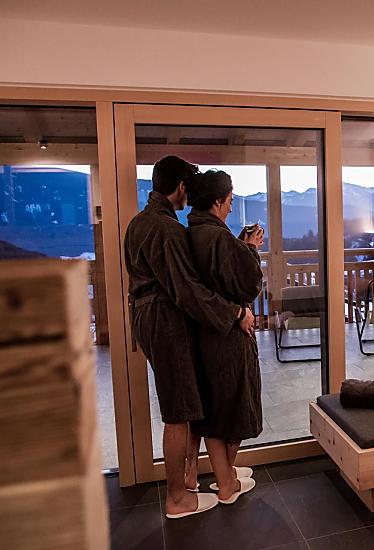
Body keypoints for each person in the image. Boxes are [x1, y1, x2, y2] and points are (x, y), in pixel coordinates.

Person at [123, 156, 255, 519]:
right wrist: (235, 313)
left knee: (187, 402)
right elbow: (188, 290)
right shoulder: (167, 229)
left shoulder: (139, 223)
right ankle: (177, 498)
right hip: (164, 321)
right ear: (181, 186)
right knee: (179, 411)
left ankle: (191, 479)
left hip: (147, 317)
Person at [184, 169, 264, 504]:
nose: (231, 207)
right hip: (227, 335)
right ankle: (227, 482)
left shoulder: (191, 233)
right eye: (230, 201)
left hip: (202, 333)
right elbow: (247, 285)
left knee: (215, 409)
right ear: (217, 202)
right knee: (232, 408)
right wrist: (251, 250)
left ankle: (225, 476)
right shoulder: (217, 237)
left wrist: (239, 246)